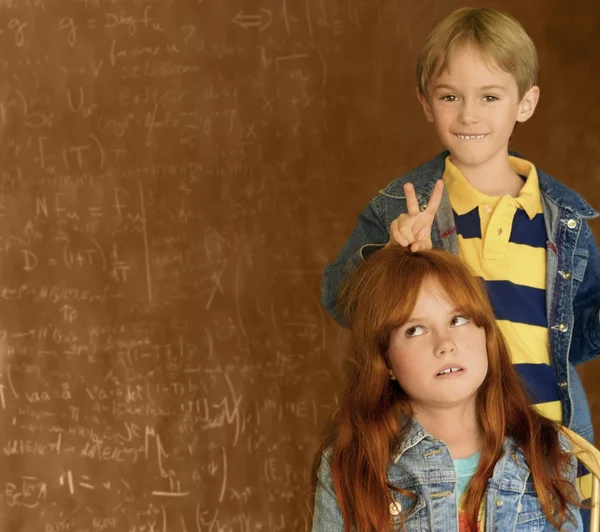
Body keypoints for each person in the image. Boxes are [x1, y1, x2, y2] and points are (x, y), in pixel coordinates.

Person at [321, 7, 600, 451]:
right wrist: (389, 257)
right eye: (451, 97)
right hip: (449, 454)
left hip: (549, 450)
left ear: (525, 103)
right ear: (426, 103)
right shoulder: (402, 207)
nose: (469, 115)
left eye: (489, 97)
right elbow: (340, 302)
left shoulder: (562, 219)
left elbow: (578, 339)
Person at [312, 246, 582, 531]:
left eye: (458, 320)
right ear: (386, 359)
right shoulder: (351, 465)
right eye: (414, 330)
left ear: (487, 335)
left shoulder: (545, 449)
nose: (445, 344)